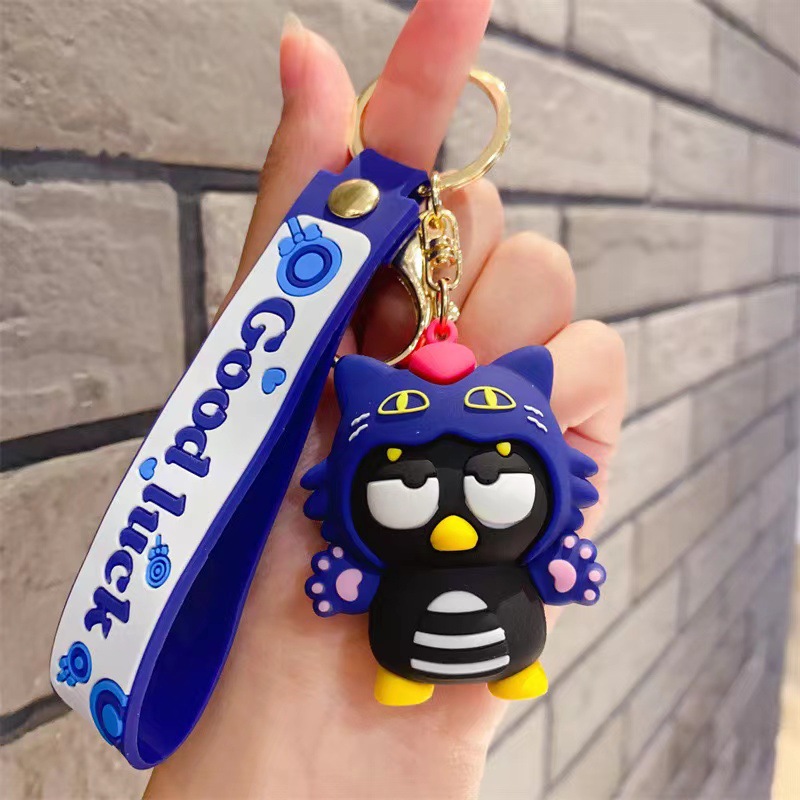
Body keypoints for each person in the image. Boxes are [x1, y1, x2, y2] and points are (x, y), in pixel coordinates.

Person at [145, 1, 625, 796]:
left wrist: (559, 558)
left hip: (500, 627)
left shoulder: (524, 521)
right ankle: (424, 674)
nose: (451, 520)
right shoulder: (362, 503)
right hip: (400, 636)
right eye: (406, 482)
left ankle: (510, 670)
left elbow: (550, 550)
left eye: (495, 479)